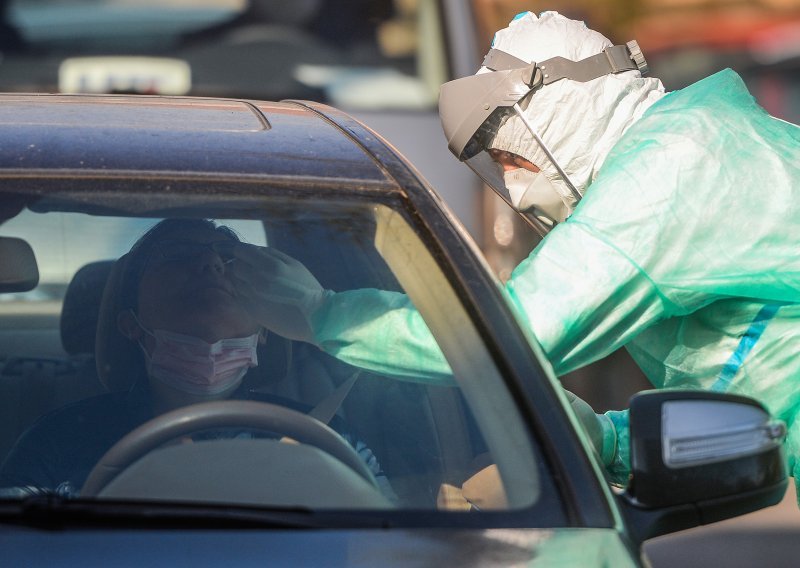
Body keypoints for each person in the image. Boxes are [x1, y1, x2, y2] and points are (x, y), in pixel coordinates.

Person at [242, 10, 800, 493]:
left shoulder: (666, 177)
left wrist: (319, 313)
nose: (512, 190)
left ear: (562, 119)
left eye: (514, 159)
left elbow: (509, 338)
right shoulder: (709, 140)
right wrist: (608, 442)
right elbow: (747, 391)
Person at [0, 219, 392, 498]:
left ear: (267, 328)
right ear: (130, 324)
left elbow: (384, 546)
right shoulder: (60, 442)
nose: (210, 264)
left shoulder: (326, 439)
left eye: (228, 258)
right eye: (177, 256)